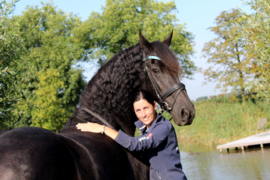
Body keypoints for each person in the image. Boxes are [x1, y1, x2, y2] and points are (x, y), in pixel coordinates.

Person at [76, 90, 187, 180]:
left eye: (146, 108)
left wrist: (103, 129)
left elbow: (135, 144)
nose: (143, 114)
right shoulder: (148, 129)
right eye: (138, 110)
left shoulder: (162, 127)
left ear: (154, 105)